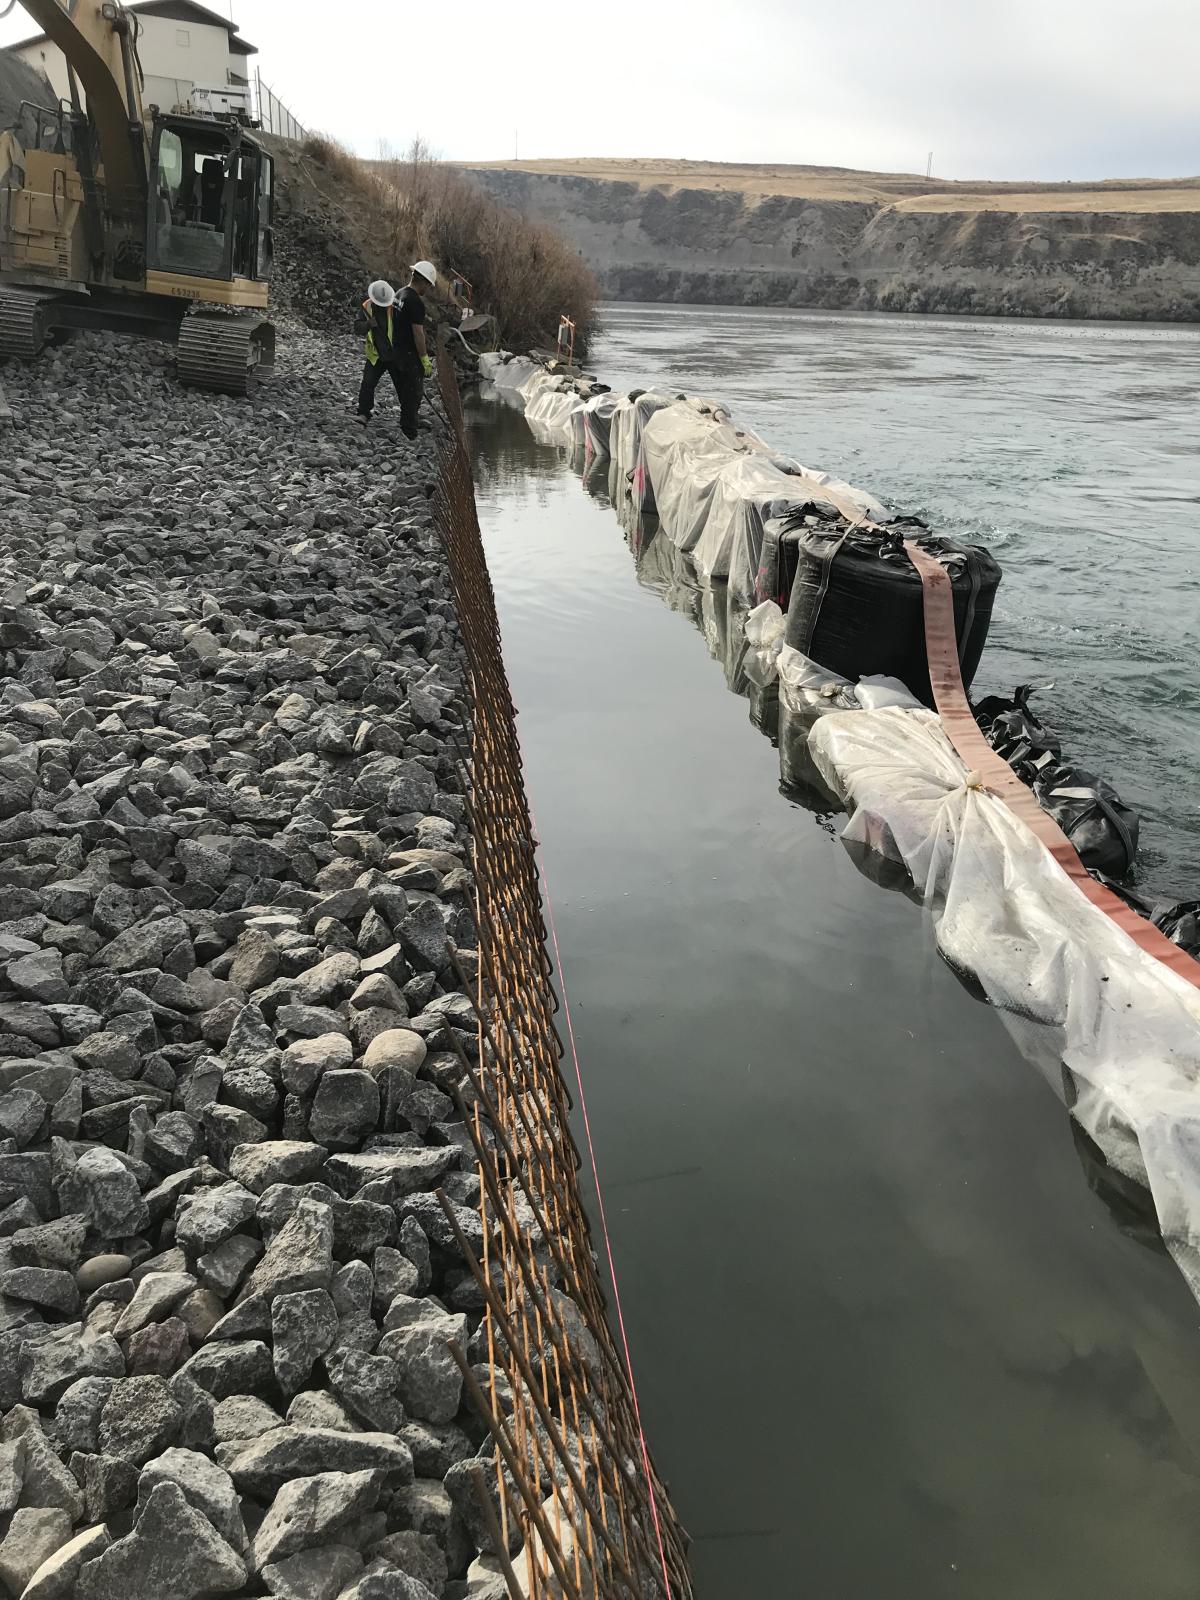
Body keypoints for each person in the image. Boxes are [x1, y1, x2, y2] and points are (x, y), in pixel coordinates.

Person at [356, 261, 437, 437]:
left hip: (393, 352)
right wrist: (424, 358)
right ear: (423, 281)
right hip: (379, 353)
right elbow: (417, 332)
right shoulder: (411, 302)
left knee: (403, 388)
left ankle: (410, 417)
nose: (428, 289)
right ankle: (366, 414)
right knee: (371, 384)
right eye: (429, 285)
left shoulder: (397, 296)